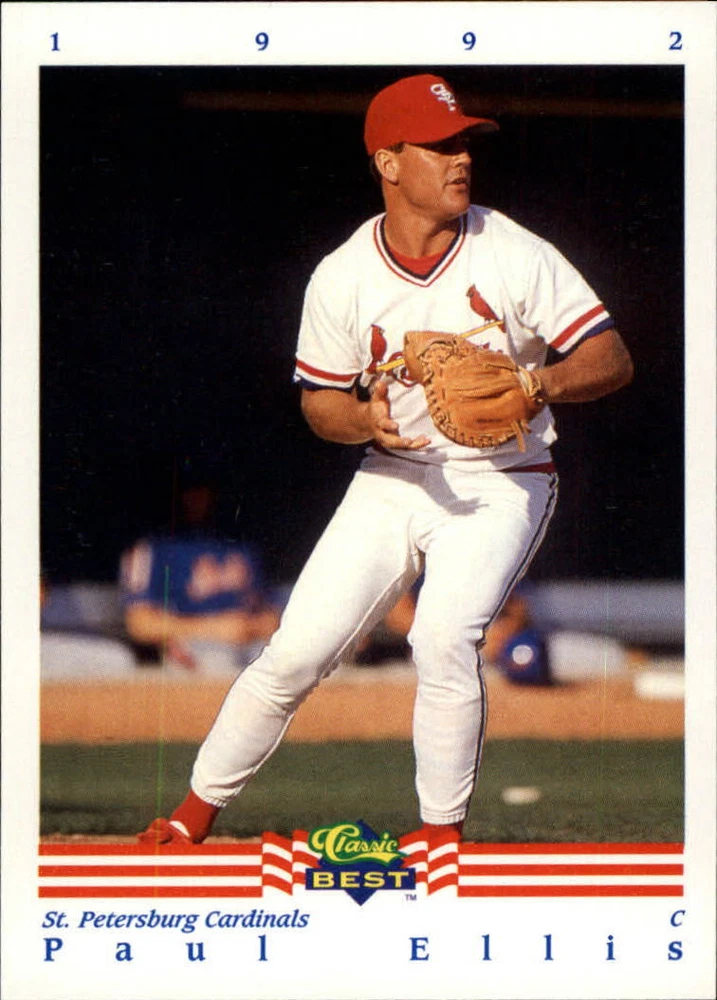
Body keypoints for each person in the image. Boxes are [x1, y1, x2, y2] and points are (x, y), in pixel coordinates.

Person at [139, 73, 633, 845]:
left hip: (503, 479)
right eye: (438, 145)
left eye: (464, 142)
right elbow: (320, 404)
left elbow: (610, 358)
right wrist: (361, 419)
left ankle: (439, 840)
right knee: (294, 653)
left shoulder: (513, 252)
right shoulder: (342, 275)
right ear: (388, 161)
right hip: (391, 476)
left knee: (441, 636)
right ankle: (188, 818)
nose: (460, 157)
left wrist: (538, 383)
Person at [121, 477, 280, 672]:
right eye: (191, 491)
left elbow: (272, 618)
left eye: (204, 491)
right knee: (217, 660)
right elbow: (140, 624)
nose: (198, 499)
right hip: (191, 648)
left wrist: (247, 627)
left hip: (248, 645)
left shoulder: (241, 547)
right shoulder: (153, 548)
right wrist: (212, 629)